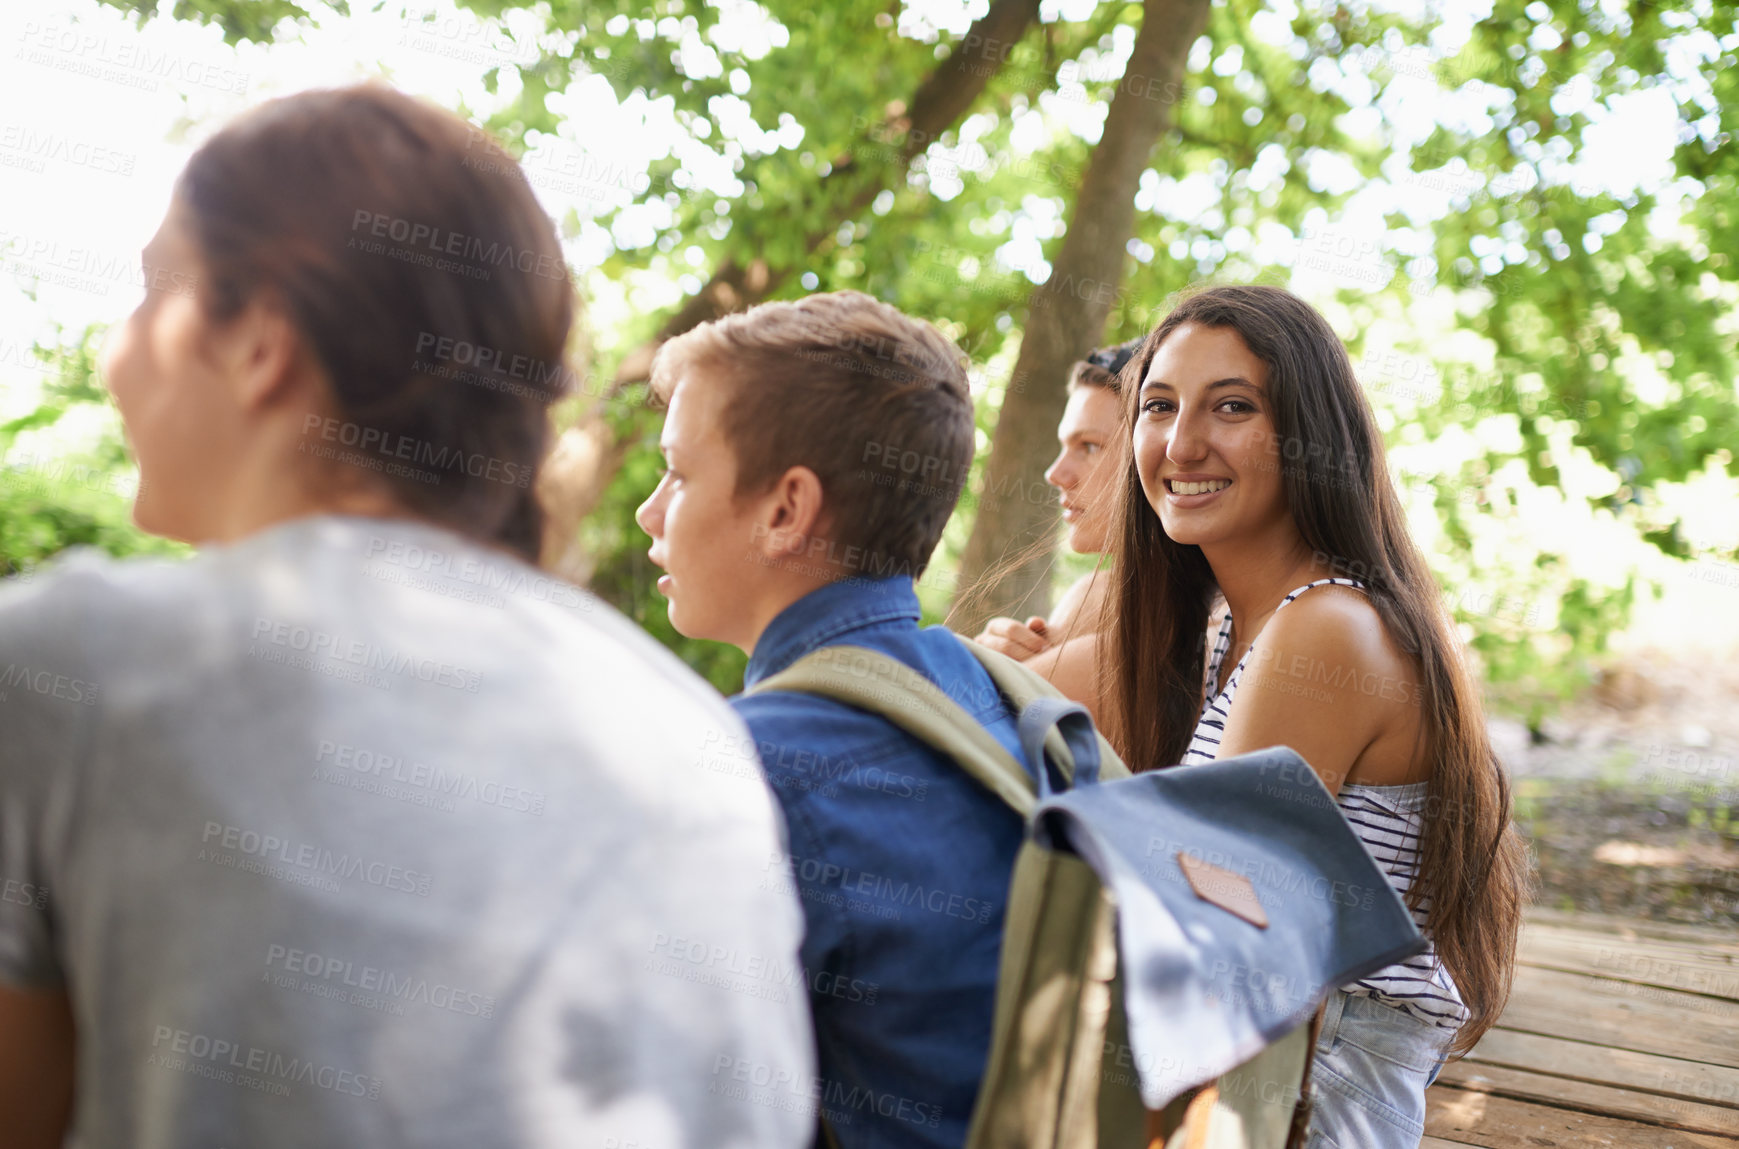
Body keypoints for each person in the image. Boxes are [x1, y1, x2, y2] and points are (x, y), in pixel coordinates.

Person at [0, 84, 813, 1149]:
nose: (115, 353)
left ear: (260, 345)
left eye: (154, 295)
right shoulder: (689, 730)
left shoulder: (73, 666)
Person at [1102, 285, 1528, 1149]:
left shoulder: (1326, 628)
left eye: (1231, 406)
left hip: (1307, 1094)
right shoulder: (1233, 623)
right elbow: (1007, 681)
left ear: (1308, 435)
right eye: (1158, 406)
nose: (1182, 442)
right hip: (1267, 1065)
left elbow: (1214, 936)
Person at [634, 292, 1026, 1149]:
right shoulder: (996, 694)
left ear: (786, 510)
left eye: (680, 473)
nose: (650, 512)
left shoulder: (750, 769)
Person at [972, 338, 1140, 723]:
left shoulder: (1103, 596)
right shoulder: (1101, 593)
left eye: (1091, 446)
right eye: (1064, 445)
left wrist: (979, 669)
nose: (1055, 474)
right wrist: (993, 656)